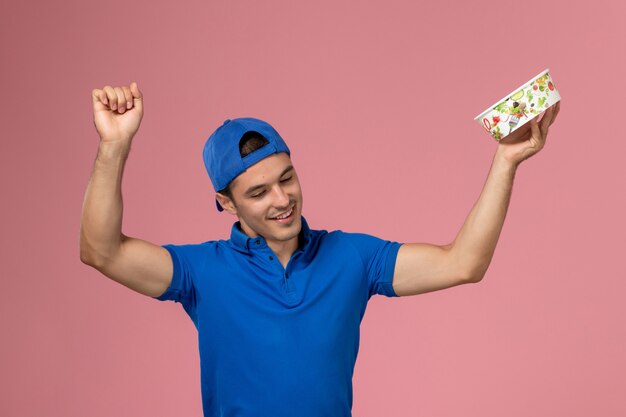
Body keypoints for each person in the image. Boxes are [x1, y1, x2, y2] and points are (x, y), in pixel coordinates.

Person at [80, 82, 560, 416]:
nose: (282, 199)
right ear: (226, 203)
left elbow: (464, 263)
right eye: (258, 192)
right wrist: (113, 146)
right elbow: (101, 251)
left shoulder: (352, 258)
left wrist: (506, 159)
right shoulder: (201, 271)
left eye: (286, 178)